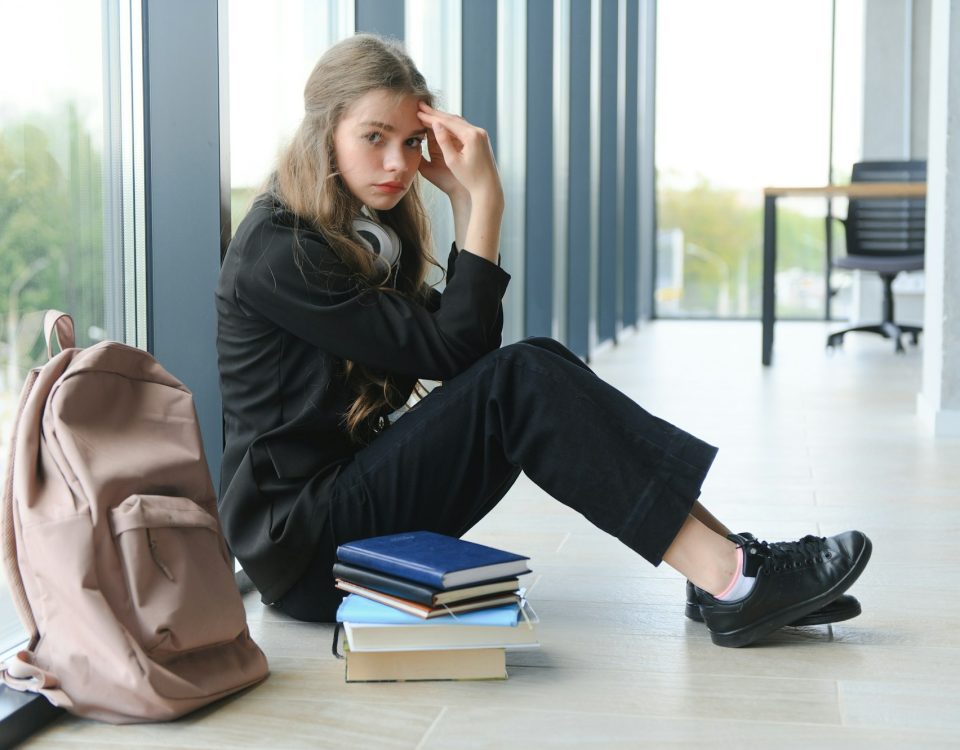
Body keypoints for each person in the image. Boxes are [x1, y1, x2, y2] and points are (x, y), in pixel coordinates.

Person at [215, 34, 870, 648]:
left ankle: (724, 565)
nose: (398, 163)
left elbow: (464, 354)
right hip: (305, 548)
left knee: (539, 364)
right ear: (322, 134)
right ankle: (736, 581)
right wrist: (484, 199)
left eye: (414, 142)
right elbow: (460, 357)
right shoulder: (279, 252)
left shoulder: (351, 233)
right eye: (374, 138)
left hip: (336, 512)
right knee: (523, 377)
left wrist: (471, 206)